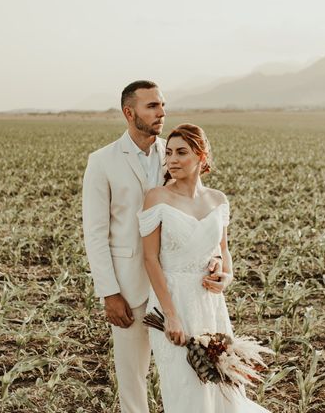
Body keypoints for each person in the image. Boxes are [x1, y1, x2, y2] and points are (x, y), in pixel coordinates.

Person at [82, 82, 224, 413]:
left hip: (179, 287)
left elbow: (200, 214)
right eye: (152, 106)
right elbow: (96, 233)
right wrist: (109, 292)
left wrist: (215, 259)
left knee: (190, 373)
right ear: (129, 113)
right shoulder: (102, 161)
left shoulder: (176, 152)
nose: (161, 113)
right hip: (129, 287)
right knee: (133, 377)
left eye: (162, 105)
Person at [138, 123, 269, 412]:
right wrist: (171, 316)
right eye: (169, 153)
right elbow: (150, 259)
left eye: (181, 152)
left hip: (210, 303)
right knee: (184, 389)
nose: (172, 160)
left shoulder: (218, 200)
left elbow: (222, 251)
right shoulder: (157, 198)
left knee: (221, 385)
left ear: (201, 156)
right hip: (171, 302)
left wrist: (226, 276)